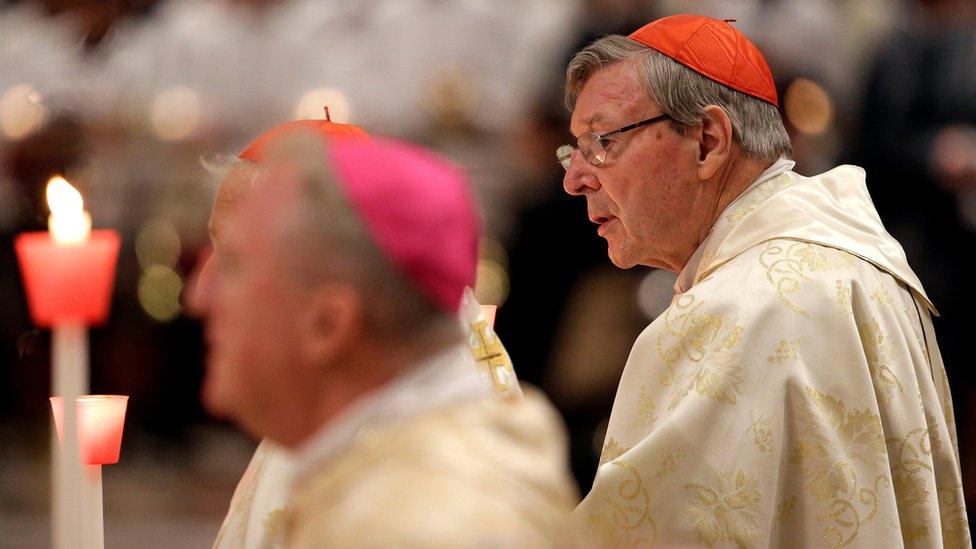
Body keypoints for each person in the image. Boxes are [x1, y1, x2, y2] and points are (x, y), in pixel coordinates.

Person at [559, 14, 969, 547]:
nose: (575, 179)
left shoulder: (735, 314)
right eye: (573, 149)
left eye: (601, 141)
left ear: (708, 141)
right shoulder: (861, 262)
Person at [188, 120, 578, 547]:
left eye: (234, 263)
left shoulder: (418, 525)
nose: (198, 297)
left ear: (329, 324)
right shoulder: (383, 463)